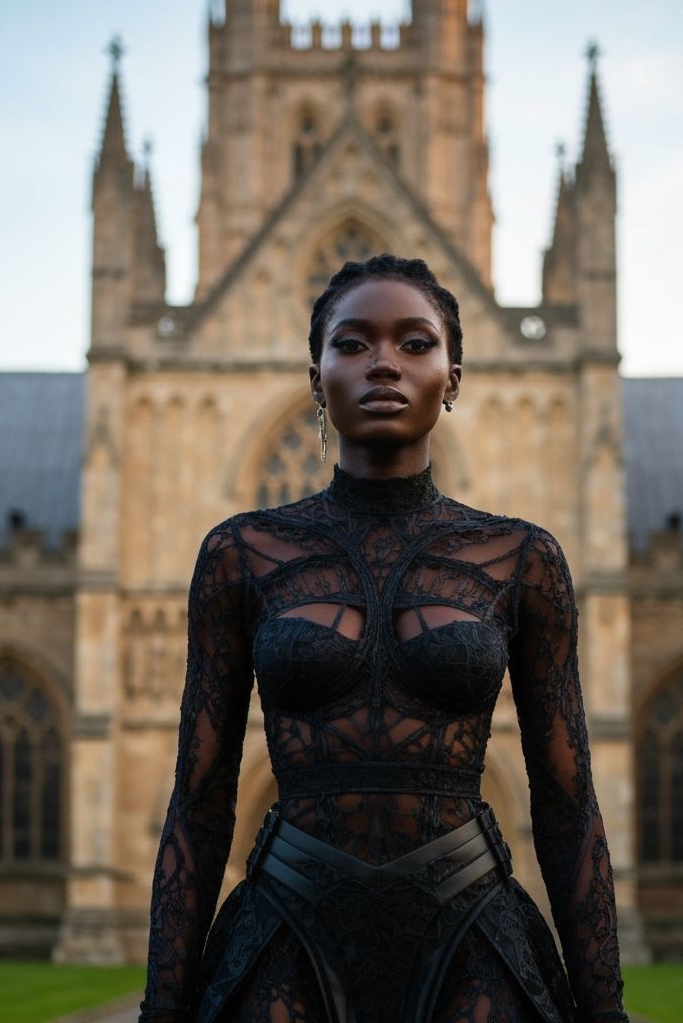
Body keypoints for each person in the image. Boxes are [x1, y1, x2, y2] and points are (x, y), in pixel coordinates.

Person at [138, 254, 629, 1023]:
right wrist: (161, 1012)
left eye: (415, 343)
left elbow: (568, 806)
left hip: (475, 941)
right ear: (317, 376)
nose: (384, 365)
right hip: (281, 943)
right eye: (353, 343)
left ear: (453, 377)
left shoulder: (524, 559)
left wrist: (606, 1014)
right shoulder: (240, 552)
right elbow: (200, 803)